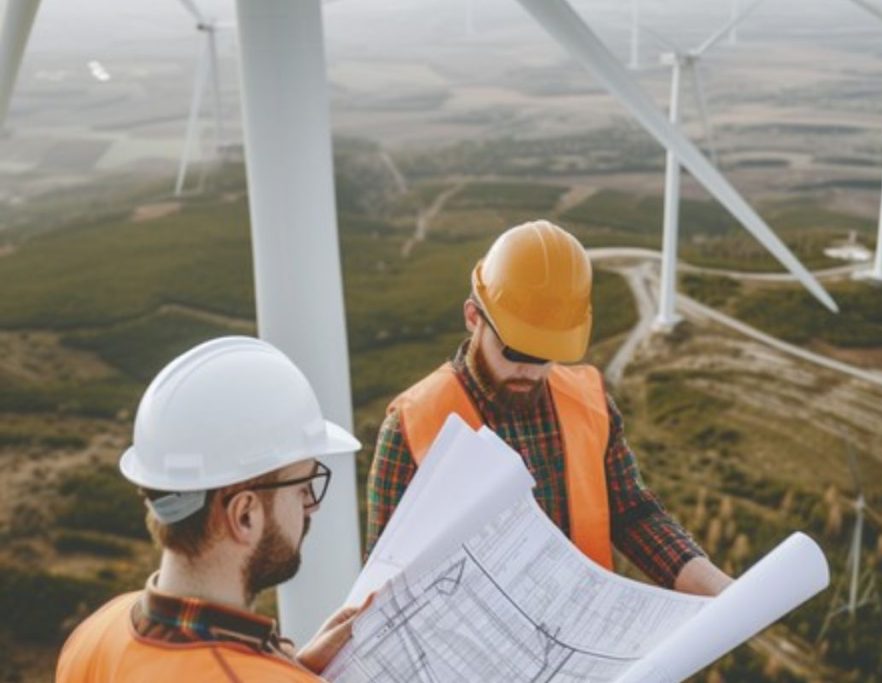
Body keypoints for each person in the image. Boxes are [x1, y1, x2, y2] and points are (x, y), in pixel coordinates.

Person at [366, 220, 732, 596]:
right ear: (474, 317)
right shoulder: (412, 426)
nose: (529, 370)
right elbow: (386, 585)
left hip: (589, 636)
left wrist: (724, 592)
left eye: (547, 356)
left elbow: (633, 516)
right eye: (517, 351)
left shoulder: (590, 404)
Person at [56, 336, 366, 682]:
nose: (311, 506)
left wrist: (287, 668)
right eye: (301, 488)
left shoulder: (95, 634)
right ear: (244, 514)